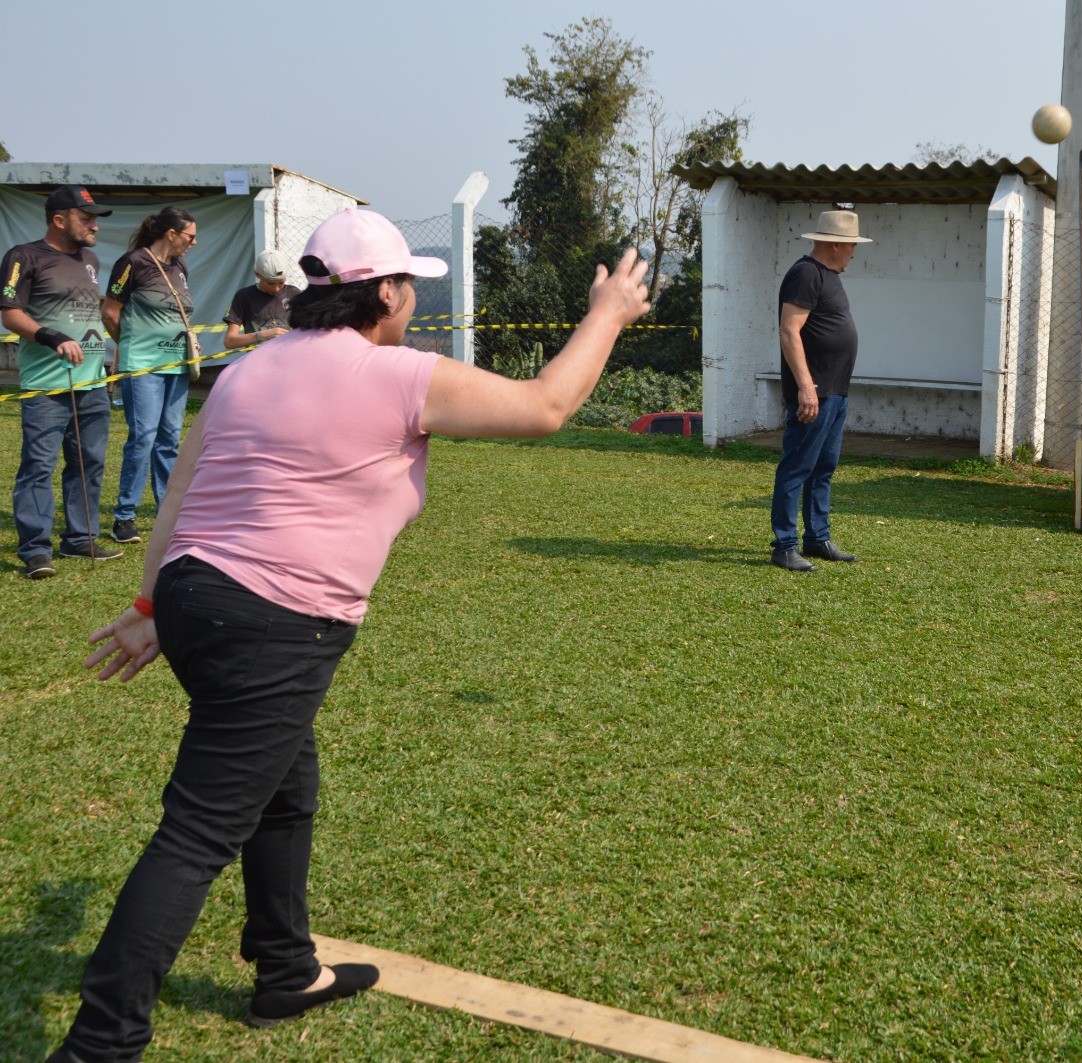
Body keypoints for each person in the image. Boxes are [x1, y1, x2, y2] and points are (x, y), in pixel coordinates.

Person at [51, 208, 651, 1061]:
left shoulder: (251, 369)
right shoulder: (397, 374)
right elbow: (545, 406)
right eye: (409, 286)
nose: (412, 301)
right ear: (387, 294)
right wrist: (608, 315)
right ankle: (99, 1044)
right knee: (196, 833)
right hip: (272, 623)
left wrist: (152, 609)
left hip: (194, 599)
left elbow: (180, 492)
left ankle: (285, 967)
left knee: (284, 781)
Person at [1, 185, 123, 578]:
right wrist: (53, 337)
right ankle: (36, 549)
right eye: (86, 218)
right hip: (47, 388)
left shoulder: (90, 259)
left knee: (89, 462)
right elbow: (10, 313)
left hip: (91, 386)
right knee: (38, 466)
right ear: (59, 219)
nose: (94, 227)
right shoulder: (23, 256)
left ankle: (79, 538)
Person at [769, 209, 871, 572]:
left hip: (835, 390)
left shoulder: (828, 274)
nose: (853, 254)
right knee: (797, 466)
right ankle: (784, 545)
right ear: (834, 244)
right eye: (850, 246)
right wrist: (806, 388)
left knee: (823, 466)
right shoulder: (806, 274)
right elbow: (788, 331)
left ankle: (817, 538)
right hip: (816, 392)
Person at [102, 206, 199, 546]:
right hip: (142, 366)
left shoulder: (180, 266)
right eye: (190, 236)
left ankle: (167, 512)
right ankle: (124, 518)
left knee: (169, 439)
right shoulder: (133, 262)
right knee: (143, 437)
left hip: (177, 367)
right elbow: (110, 312)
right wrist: (131, 348)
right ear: (170, 234)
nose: (194, 242)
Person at [222, 249, 299, 351]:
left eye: (281, 282)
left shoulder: (294, 293)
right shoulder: (244, 296)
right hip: (259, 361)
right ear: (257, 274)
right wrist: (261, 335)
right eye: (270, 283)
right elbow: (229, 341)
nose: (276, 288)